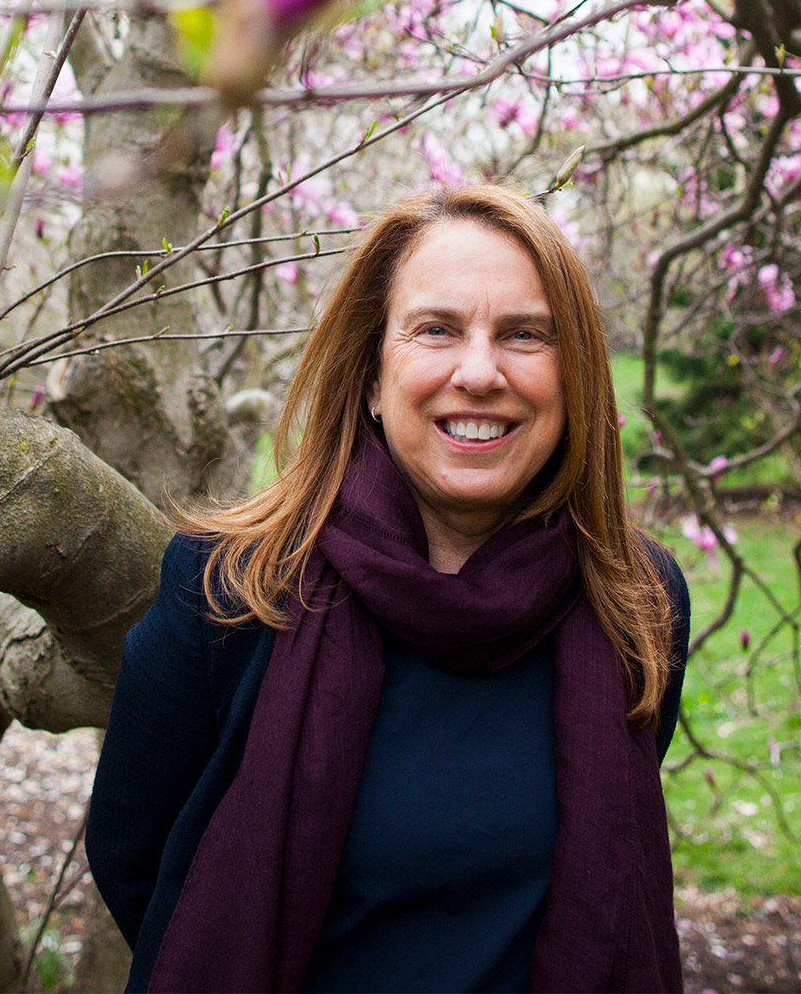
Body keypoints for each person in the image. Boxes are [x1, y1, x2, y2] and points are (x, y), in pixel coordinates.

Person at [88, 183, 690, 994]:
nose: (479, 372)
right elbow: (141, 864)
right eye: (436, 329)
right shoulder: (228, 587)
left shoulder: (638, 599)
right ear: (372, 376)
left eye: (525, 334)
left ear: (576, 377)